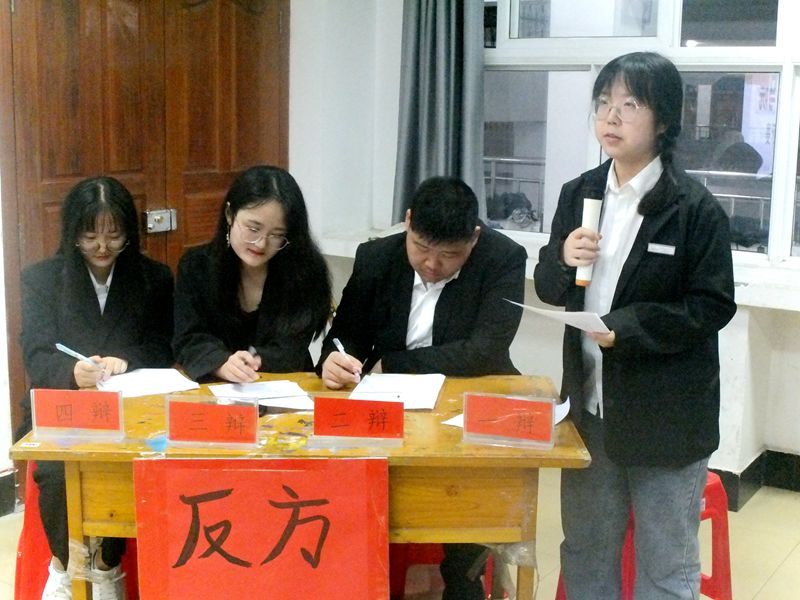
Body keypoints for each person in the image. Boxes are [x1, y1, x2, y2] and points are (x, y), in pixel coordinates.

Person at [534, 52, 736, 599]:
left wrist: (627, 328)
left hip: (666, 417)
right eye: (604, 103)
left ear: (663, 119)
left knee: (665, 565)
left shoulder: (693, 208)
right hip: (590, 408)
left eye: (630, 104)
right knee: (585, 550)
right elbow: (549, 286)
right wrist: (562, 259)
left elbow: (712, 306)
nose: (611, 117)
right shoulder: (579, 192)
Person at [318, 176, 527, 600]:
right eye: (421, 248)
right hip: (388, 405)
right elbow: (345, 335)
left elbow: (485, 350)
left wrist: (394, 363)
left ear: (474, 238)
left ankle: (464, 582)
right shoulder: (376, 257)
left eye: (449, 255)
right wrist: (335, 359)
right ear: (408, 222)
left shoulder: (504, 258)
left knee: (468, 516)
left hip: (467, 404)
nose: (431, 265)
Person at [20, 176, 174, 600]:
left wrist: (127, 359)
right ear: (73, 233)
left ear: (130, 233)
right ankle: (64, 568)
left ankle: (107, 568)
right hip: (64, 410)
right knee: (58, 472)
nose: (102, 247)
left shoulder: (154, 278)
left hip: (130, 412)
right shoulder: (41, 280)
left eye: (114, 235)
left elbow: (163, 345)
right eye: (90, 236)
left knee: (121, 468)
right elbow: (36, 353)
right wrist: (73, 372)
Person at [173, 165, 331, 382]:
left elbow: (291, 350)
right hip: (214, 385)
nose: (261, 243)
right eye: (253, 229)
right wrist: (221, 363)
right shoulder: (196, 266)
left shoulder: (306, 272)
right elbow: (188, 337)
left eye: (277, 235)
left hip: (282, 385)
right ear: (230, 215)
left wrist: (247, 363)